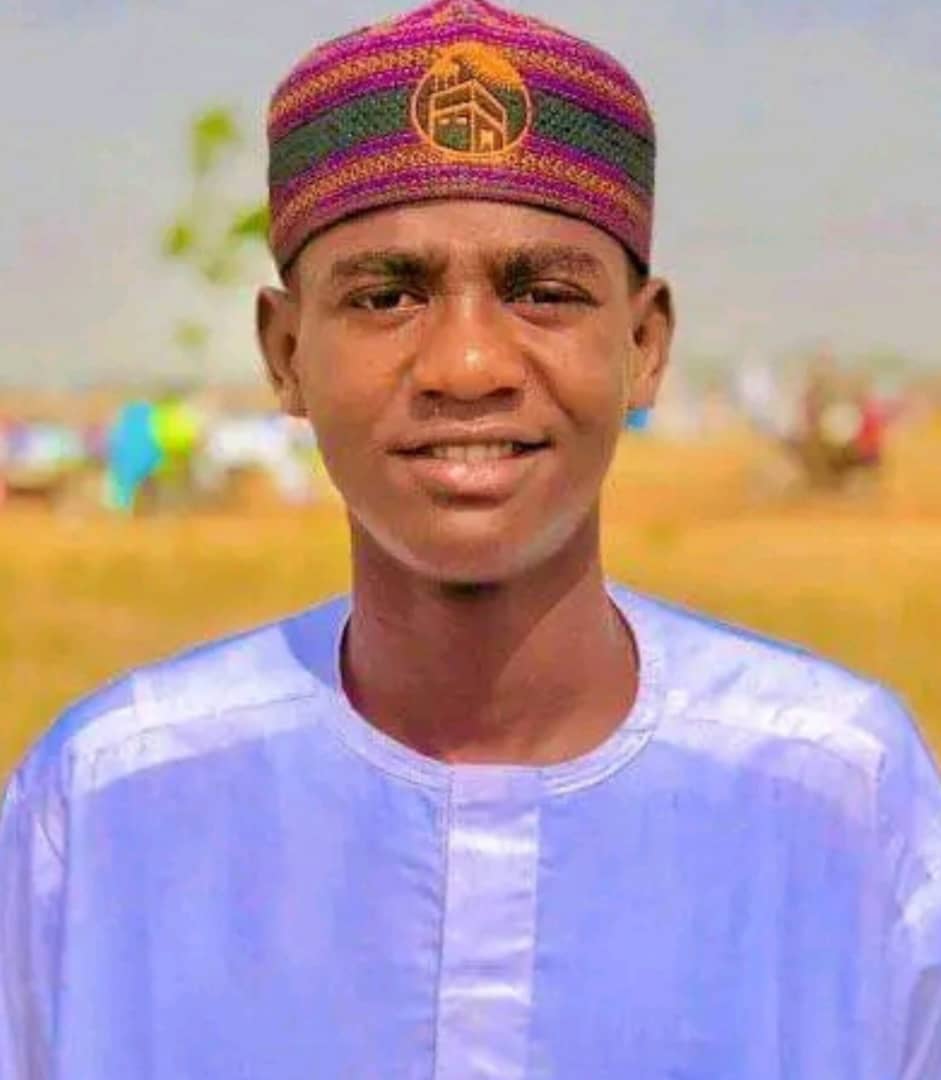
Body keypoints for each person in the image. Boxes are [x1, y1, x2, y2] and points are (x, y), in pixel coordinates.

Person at [2, 1, 939, 1076]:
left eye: (541, 293)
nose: (466, 366)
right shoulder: (109, 805)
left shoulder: (838, 795)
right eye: (385, 296)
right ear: (285, 352)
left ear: (642, 346)